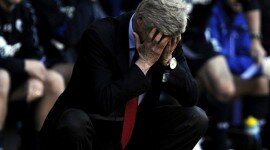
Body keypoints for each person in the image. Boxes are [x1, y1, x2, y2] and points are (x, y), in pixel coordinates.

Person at [40, 0, 208, 150]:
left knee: (196, 118)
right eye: (158, 37)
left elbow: (190, 97)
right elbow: (104, 102)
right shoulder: (101, 34)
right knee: (74, 123)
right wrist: (143, 64)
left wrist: (168, 63)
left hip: (138, 124)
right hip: (93, 124)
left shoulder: (167, 36)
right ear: (140, 21)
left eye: (170, 38)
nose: (162, 43)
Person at [0, 0, 65, 149]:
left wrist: (34, 77)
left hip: (15, 82)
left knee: (54, 80)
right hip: (3, 79)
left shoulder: (25, 9)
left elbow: (35, 54)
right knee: (1, 77)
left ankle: (38, 144)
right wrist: (24, 66)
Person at [205, 0, 269, 148]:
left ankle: (253, 136)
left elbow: (249, 54)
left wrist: (258, 64)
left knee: (263, 83)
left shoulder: (245, 16)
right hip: (207, 72)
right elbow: (214, 54)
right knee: (223, 84)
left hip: (234, 71)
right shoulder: (212, 12)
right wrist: (259, 66)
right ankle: (219, 141)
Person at [30, 0, 106, 84]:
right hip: (49, 61)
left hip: (74, 58)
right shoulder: (46, 3)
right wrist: (85, 4)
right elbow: (69, 37)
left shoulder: (89, 4)